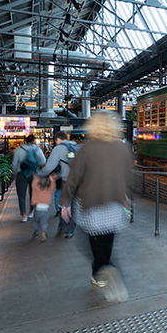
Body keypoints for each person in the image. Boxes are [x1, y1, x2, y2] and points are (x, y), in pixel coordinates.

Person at [60, 111, 133, 303]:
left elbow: (74, 177)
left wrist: (65, 201)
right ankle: (101, 272)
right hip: (115, 204)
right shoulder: (123, 148)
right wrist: (127, 198)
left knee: (91, 242)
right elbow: (130, 177)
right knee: (107, 242)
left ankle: (106, 272)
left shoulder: (88, 148)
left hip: (91, 205)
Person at [39, 130, 80, 238]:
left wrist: (39, 174)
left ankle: (63, 227)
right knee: (75, 206)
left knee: (64, 204)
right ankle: (71, 230)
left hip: (67, 181)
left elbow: (49, 167)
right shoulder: (76, 146)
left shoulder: (59, 148)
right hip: (79, 181)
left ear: (57, 139)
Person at [11, 134, 46, 222]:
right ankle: (32, 211)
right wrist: (35, 165)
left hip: (21, 175)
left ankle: (24, 215)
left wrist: (15, 173)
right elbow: (43, 161)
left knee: (21, 195)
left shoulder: (19, 150)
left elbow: (14, 164)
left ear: (25, 141)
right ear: (33, 141)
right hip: (34, 174)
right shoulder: (37, 149)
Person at [31, 172, 57, 242]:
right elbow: (53, 188)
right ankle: (44, 232)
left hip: (37, 209)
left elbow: (33, 184)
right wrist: (52, 180)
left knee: (36, 221)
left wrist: (35, 176)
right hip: (45, 210)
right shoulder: (49, 191)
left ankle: (36, 232)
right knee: (44, 223)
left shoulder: (36, 189)